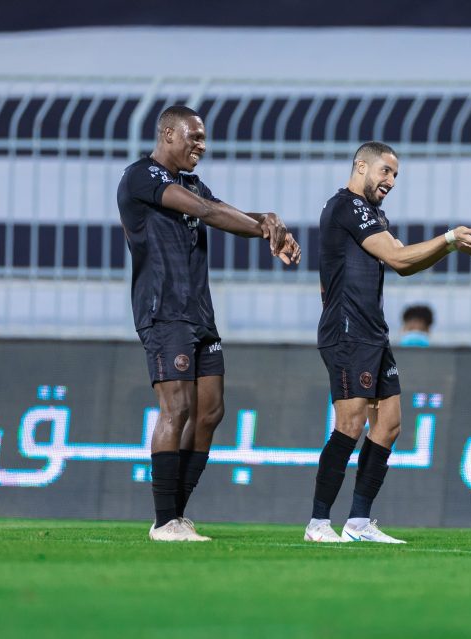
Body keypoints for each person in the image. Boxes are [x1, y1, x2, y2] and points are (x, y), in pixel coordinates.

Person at [117, 105, 301, 542]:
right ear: (167, 134)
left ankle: (177, 516)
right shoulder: (142, 177)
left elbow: (222, 210)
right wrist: (264, 228)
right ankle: (164, 521)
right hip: (164, 310)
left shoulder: (191, 182)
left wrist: (268, 222)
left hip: (199, 312)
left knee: (210, 412)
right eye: (193, 137)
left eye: (203, 139)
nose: (201, 146)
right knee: (176, 409)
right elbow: (207, 212)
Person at [305, 141, 471, 544]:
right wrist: (448, 238)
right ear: (361, 167)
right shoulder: (346, 207)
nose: (390, 181)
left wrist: (454, 246)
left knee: (388, 425)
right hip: (347, 329)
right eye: (385, 171)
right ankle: (318, 523)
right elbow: (399, 258)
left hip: (372, 330)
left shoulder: (373, 214)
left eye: (395, 175)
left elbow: (405, 261)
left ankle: (358, 523)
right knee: (350, 424)